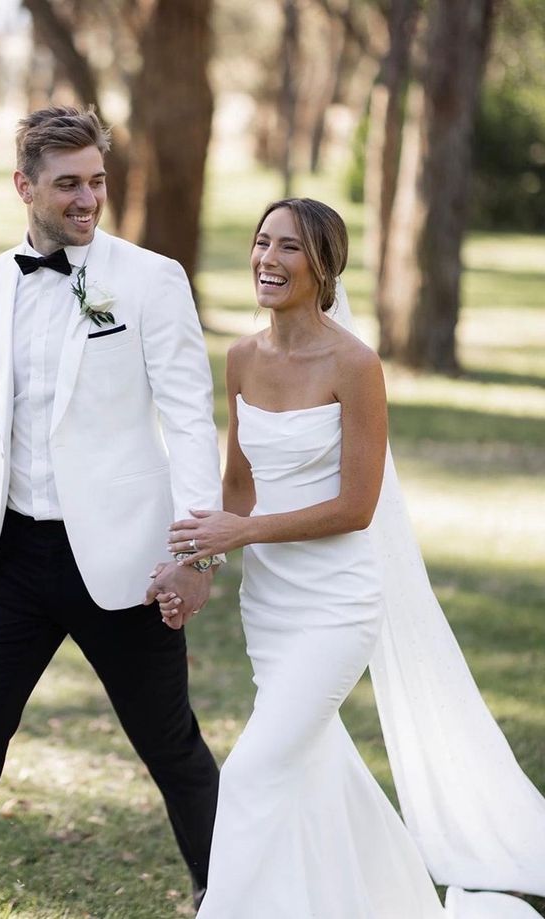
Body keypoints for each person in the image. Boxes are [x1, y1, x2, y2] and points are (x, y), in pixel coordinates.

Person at [160, 198, 545, 918]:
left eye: (290, 249)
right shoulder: (241, 357)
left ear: (325, 267)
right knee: (316, 768)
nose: (267, 260)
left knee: (249, 775)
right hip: (269, 608)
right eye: (261, 241)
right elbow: (237, 487)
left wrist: (237, 535)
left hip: (336, 604)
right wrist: (196, 563)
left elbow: (355, 507)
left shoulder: (355, 364)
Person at [0, 105, 226, 918]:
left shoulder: (151, 279)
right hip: (10, 558)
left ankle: (230, 894)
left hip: (123, 559)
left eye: (97, 182)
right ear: (24, 186)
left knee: (170, 745)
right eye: (68, 185)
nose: (88, 199)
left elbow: (190, 419)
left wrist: (195, 554)